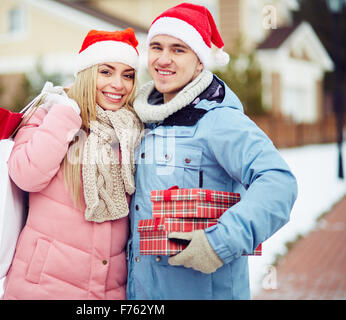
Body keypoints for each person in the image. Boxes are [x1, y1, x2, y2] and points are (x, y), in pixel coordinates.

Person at [127, 3, 298, 299]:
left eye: (179, 49)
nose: (163, 59)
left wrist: (219, 242)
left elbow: (279, 183)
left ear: (199, 62)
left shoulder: (218, 119)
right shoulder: (140, 119)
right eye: (156, 47)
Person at [1, 28, 143, 300]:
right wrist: (66, 114)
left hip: (109, 289)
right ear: (87, 73)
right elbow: (27, 174)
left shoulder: (131, 131)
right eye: (106, 71)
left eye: (128, 75)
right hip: (42, 285)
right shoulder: (48, 115)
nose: (118, 84)